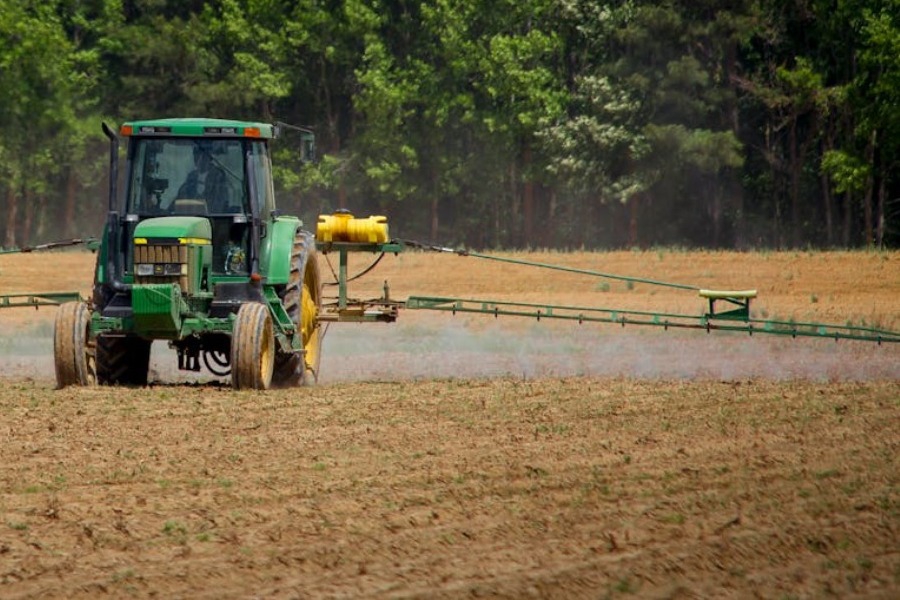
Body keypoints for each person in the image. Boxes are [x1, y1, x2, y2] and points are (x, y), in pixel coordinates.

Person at [176, 142, 232, 212]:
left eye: (201, 155)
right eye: (195, 154)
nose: (198, 158)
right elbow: (180, 199)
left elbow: (219, 204)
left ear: (209, 157)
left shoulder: (218, 177)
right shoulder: (191, 177)